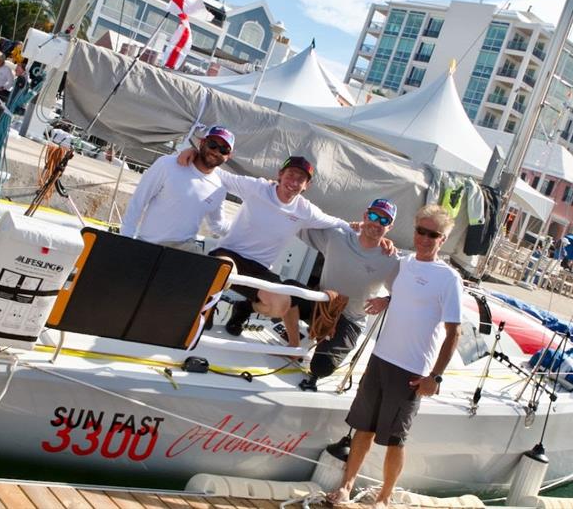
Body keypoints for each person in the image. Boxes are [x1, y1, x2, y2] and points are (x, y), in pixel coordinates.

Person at [327, 204, 462, 509]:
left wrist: (435, 378)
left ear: (442, 240)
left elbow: (455, 333)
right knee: (363, 427)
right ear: (413, 232)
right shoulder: (404, 264)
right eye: (420, 231)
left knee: (395, 440)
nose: (425, 238)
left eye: (433, 234)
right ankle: (346, 486)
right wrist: (387, 299)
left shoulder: (449, 278)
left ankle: (384, 498)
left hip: (412, 369)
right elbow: (403, 291)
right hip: (381, 358)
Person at [178, 150, 354, 332]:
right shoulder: (257, 188)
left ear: (306, 185)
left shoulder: (306, 210)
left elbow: (338, 223)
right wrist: (194, 154)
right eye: (290, 175)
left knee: (281, 305)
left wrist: (368, 233)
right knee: (223, 269)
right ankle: (208, 306)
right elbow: (221, 176)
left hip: (260, 268)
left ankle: (244, 308)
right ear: (280, 174)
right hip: (230, 254)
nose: (293, 182)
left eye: (300, 179)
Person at [284, 199, 400, 387]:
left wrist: (387, 300)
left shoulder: (392, 259)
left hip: (350, 320)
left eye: (384, 221)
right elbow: (299, 223)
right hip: (322, 305)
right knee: (286, 290)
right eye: (373, 216)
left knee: (322, 368)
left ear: (390, 227)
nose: (377, 223)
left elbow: (407, 292)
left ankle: (325, 344)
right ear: (364, 216)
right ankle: (294, 345)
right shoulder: (337, 236)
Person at [120, 126, 234, 253]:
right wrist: (126, 239)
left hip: (184, 250)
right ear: (202, 143)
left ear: (228, 156)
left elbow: (218, 225)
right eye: (213, 144)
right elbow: (138, 201)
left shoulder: (219, 188)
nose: (216, 151)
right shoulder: (167, 165)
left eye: (223, 149)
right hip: (149, 244)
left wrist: (253, 234)